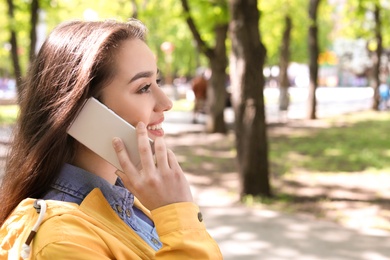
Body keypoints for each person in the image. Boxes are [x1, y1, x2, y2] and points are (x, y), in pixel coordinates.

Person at [0, 19, 222, 259]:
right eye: (144, 87)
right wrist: (178, 215)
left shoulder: (136, 198)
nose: (166, 104)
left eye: (156, 81)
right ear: (83, 111)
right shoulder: (61, 239)